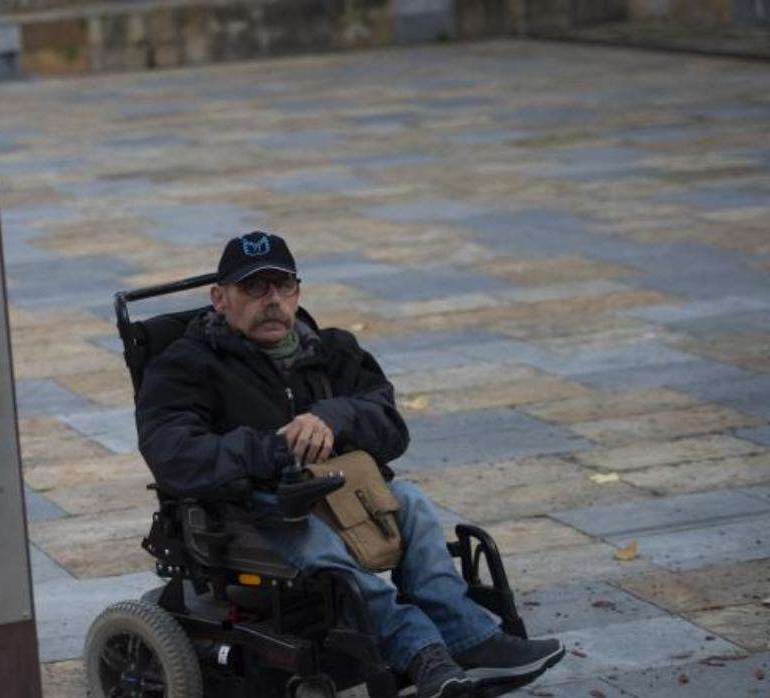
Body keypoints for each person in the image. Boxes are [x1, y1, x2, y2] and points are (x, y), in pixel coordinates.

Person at [134, 232, 564, 698]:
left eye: (283, 286)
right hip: (249, 507)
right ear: (220, 298)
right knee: (315, 540)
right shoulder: (185, 365)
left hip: (340, 489)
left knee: (412, 504)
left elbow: (389, 424)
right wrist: (277, 449)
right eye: (254, 289)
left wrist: (331, 419)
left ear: (297, 292)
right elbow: (173, 454)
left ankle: (471, 638)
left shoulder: (331, 349)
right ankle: (421, 652)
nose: (272, 300)